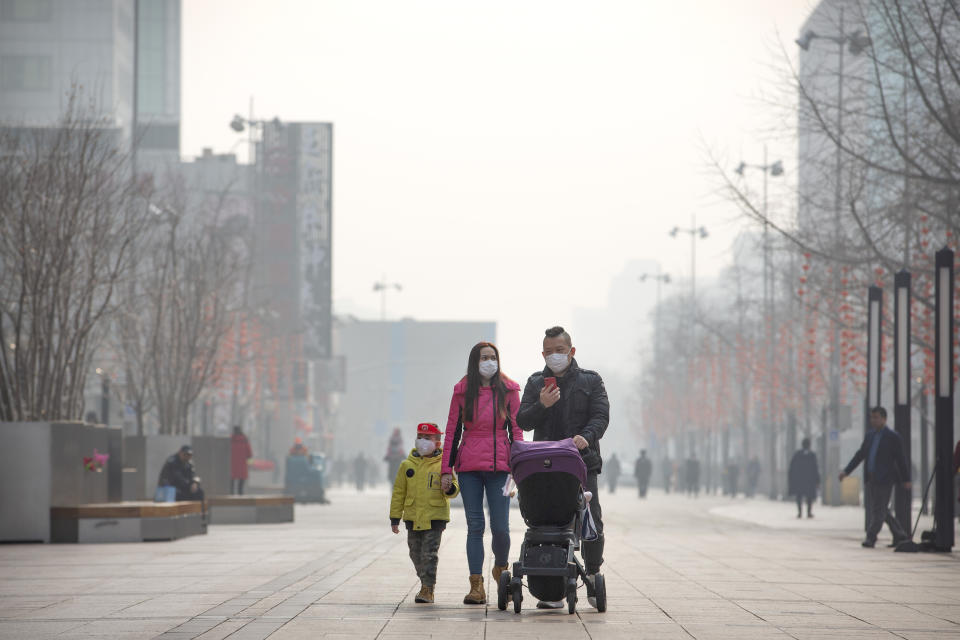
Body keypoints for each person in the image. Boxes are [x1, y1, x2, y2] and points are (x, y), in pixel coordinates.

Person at [518, 326, 609, 609]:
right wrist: (541, 405)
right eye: (549, 352)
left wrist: (587, 436)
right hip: (545, 465)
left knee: (590, 519)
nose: (555, 356)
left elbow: (601, 416)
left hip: (581, 463)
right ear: (542, 354)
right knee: (547, 521)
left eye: (560, 350)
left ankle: (592, 575)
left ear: (571, 351)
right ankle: (551, 587)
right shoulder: (536, 383)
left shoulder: (590, 380)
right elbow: (523, 421)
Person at [441, 341, 523, 605]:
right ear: (475, 363)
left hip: (502, 470)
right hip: (469, 470)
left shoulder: (509, 390)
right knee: (475, 526)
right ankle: (476, 585)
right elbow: (452, 431)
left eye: (493, 357)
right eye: (484, 358)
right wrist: (446, 470)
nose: (489, 361)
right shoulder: (462, 392)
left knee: (501, 527)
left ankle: (501, 569)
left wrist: (519, 467)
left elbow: (517, 431)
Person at [390, 422, 460, 604]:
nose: (422, 441)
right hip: (413, 517)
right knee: (415, 553)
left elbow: (455, 488)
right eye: (420, 437)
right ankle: (424, 581)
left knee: (429, 553)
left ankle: (428, 589)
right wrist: (395, 517)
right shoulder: (406, 465)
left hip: (435, 517)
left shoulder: (444, 464)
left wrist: (450, 488)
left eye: (427, 438)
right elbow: (399, 492)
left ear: (438, 442)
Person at [839, 406, 911, 548]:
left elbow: (901, 459)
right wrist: (846, 471)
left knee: (878, 510)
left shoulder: (893, 437)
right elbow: (860, 455)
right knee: (882, 509)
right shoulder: (870, 436)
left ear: (884, 419)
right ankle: (900, 535)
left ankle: (871, 537)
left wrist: (906, 479)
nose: (873, 420)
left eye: (876, 417)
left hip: (885, 479)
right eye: (872, 417)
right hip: (871, 479)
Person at [788, 437, 820, 518]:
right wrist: (817, 480)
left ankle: (800, 512)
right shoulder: (812, 455)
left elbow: (792, 468)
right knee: (809, 497)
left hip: (799, 480)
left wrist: (791, 478)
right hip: (809, 480)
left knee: (799, 496)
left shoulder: (797, 454)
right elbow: (815, 468)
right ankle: (809, 512)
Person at [230, 426, 253, 495]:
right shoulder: (245, 440)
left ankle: (231, 494)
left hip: (232, 465)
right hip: (242, 465)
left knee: (231, 480)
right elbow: (250, 454)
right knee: (241, 481)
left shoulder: (231, 440)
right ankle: (240, 494)